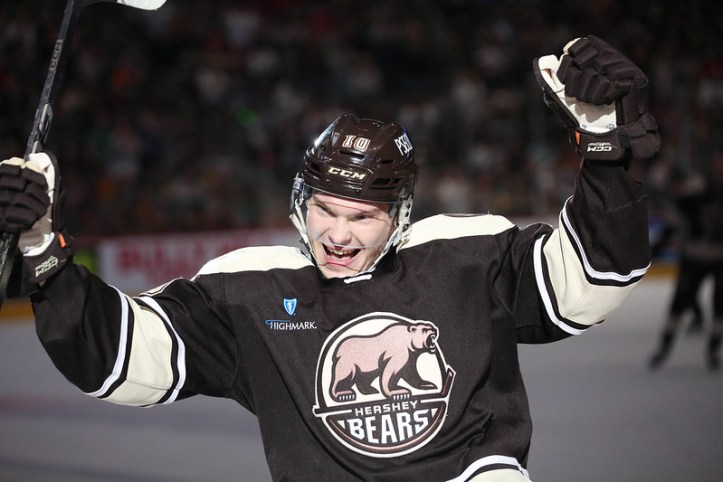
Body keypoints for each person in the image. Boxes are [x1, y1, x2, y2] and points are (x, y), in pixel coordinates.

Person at [0, 35, 659, 481]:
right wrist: (43, 250)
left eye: (363, 216)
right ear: (300, 201)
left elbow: (593, 279)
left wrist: (603, 145)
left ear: (399, 215)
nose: (338, 234)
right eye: (325, 210)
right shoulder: (247, 289)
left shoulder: (467, 255)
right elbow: (120, 359)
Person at [649, 152, 723, 371]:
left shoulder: (698, 190)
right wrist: (657, 248)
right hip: (694, 256)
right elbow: (676, 221)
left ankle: (712, 350)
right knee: (680, 303)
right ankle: (664, 348)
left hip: (715, 256)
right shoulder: (696, 192)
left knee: (719, 306)